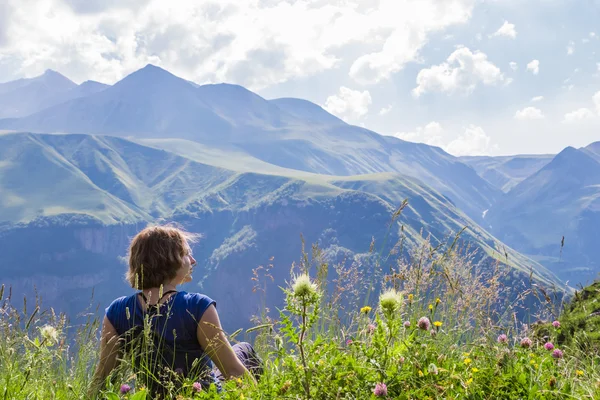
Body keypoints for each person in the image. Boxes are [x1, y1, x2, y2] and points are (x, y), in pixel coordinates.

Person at [88, 225, 263, 398]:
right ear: (170, 259)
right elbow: (232, 370)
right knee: (245, 349)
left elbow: (102, 378)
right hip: (203, 396)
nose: (193, 260)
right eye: (186, 254)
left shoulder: (116, 312)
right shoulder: (197, 306)